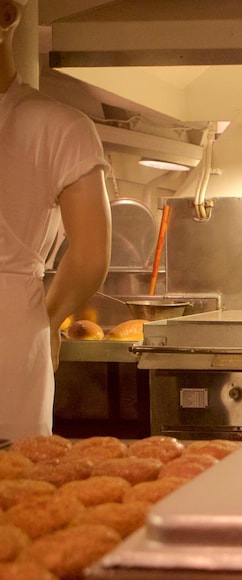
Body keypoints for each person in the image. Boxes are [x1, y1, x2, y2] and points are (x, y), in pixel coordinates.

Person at [0, 0, 111, 439]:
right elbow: (89, 257)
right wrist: (50, 320)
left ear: (8, 16)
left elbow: (89, 256)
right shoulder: (60, 126)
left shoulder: (56, 126)